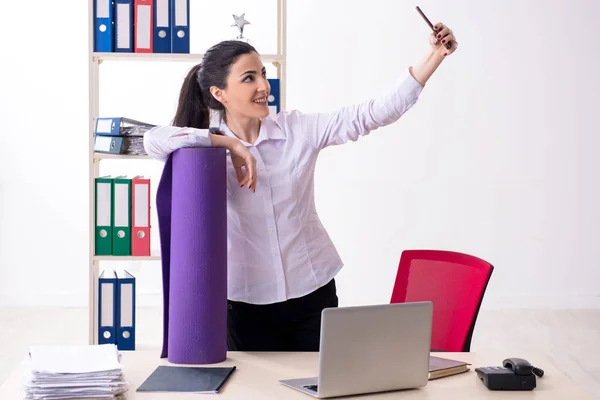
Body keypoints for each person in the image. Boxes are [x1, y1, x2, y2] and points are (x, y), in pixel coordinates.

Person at [144, 22, 458, 352]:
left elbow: (374, 112)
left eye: (263, 74)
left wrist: (434, 56)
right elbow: (153, 140)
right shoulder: (204, 151)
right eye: (249, 78)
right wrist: (227, 144)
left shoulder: (296, 130)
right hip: (245, 303)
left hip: (313, 292)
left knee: (319, 384)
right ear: (218, 94)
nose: (264, 85)